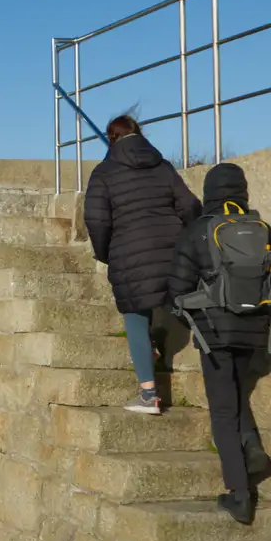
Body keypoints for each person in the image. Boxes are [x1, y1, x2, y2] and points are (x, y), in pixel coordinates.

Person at [166, 162, 271, 526]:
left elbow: (179, 286)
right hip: (255, 330)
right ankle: (251, 448)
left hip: (214, 332)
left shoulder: (199, 230)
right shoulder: (263, 229)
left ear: (210, 191)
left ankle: (240, 494)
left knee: (221, 409)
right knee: (236, 393)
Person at [83, 115, 200, 415]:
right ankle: (156, 347)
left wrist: (104, 252)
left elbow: (97, 219)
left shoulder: (104, 171)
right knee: (163, 300)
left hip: (129, 252)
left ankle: (149, 395)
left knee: (135, 316)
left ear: (111, 138)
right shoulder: (162, 166)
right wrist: (190, 239)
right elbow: (188, 205)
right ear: (139, 134)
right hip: (171, 250)